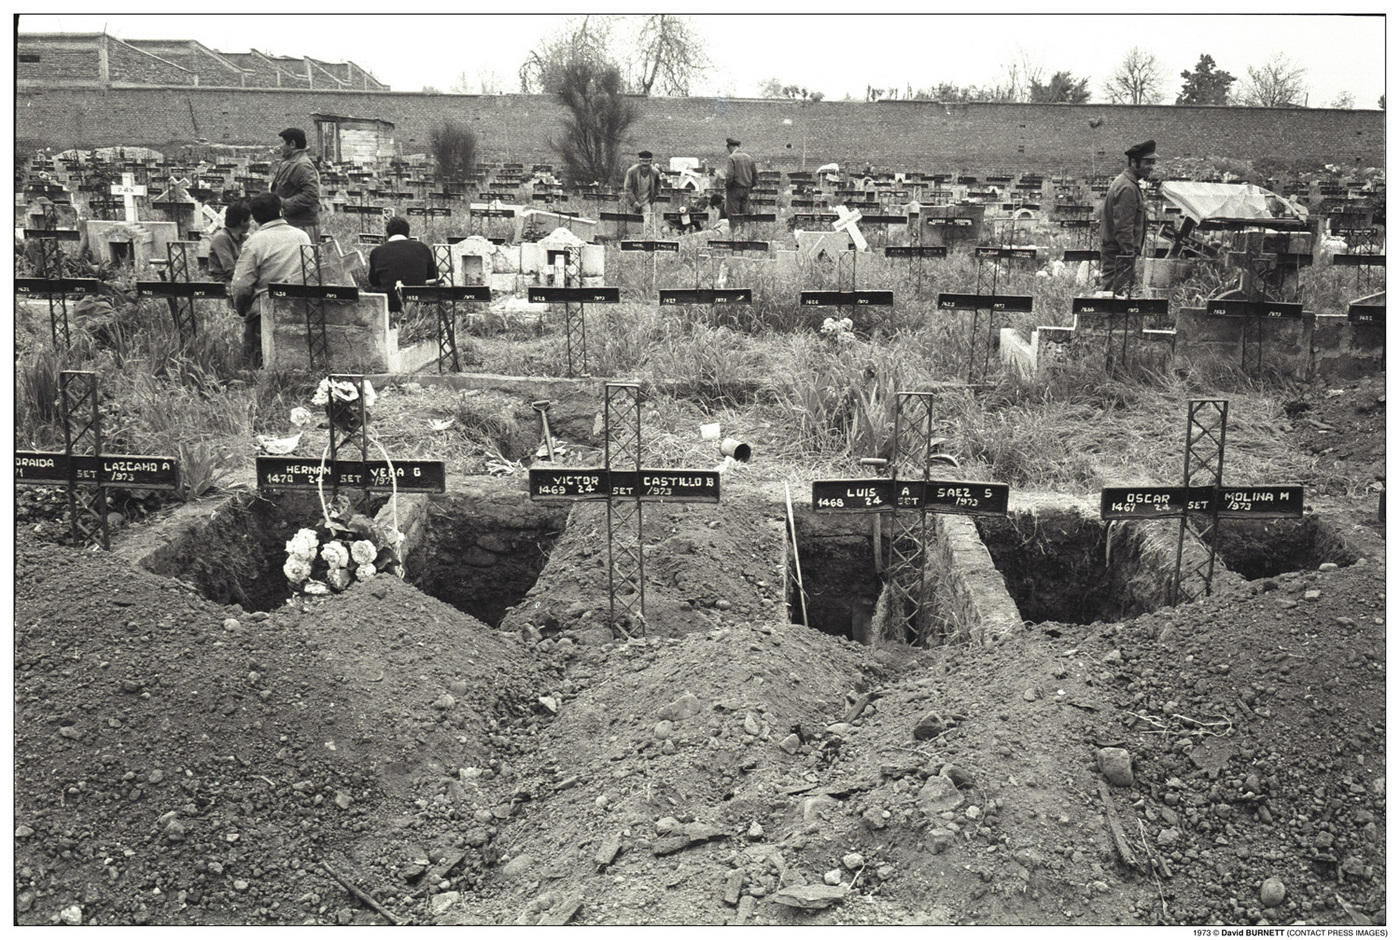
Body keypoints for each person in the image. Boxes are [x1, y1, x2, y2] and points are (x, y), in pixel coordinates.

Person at [230, 192, 311, 368]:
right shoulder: (302, 237)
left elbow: (241, 285)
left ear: (255, 218)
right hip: (300, 307)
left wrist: (242, 309)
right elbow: (311, 273)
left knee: (255, 367)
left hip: (264, 311)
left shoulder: (255, 242)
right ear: (281, 211)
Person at [1098, 138, 1156, 295]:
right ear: (1134, 163)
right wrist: (1128, 254)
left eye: (1152, 163)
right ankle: (1104, 319)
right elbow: (1123, 226)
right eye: (1147, 163)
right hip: (1119, 253)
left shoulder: (1128, 183)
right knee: (1113, 295)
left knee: (1115, 295)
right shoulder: (1127, 188)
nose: (1151, 167)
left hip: (1119, 252)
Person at [367, 216, 438, 318]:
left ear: (387, 233)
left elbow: (373, 281)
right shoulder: (422, 248)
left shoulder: (377, 252)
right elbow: (432, 276)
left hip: (389, 303)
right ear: (408, 233)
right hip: (418, 301)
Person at [270, 127, 321, 241]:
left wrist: (282, 204)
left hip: (302, 227)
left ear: (292, 144)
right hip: (292, 225)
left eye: (282, 142)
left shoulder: (302, 165)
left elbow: (311, 195)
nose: (280, 146)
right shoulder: (291, 162)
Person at [206, 200, 251, 283]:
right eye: (248, 220)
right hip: (224, 283)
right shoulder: (221, 238)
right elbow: (230, 270)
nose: (250, 224)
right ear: (242, 222)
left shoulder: (243, 238)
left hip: (239, 280)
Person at [621, 150, 661, 228]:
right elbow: (627, 188)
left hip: (646, 202)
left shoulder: (655, 172)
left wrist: (653, 198)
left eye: (647, 163)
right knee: (632, 225)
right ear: (639, 161)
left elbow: (658, 186)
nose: (645, 166)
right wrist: (634, 202)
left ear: (650, 162)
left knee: (646, 225)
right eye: (643, 163)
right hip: (632, 202)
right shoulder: (631, 171)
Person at [721, 137, 757, 218]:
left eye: (728, 148)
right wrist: (749, 187)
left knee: (734, 216)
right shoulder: (749, 158)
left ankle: (735, 230)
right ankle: (743, 230)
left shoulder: (731, 158)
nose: (728, 151)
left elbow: (730, 175)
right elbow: (755, 176)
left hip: (734, 190)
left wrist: (727, 186)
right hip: (746, 190)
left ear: (731, 147)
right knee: (744, 216)